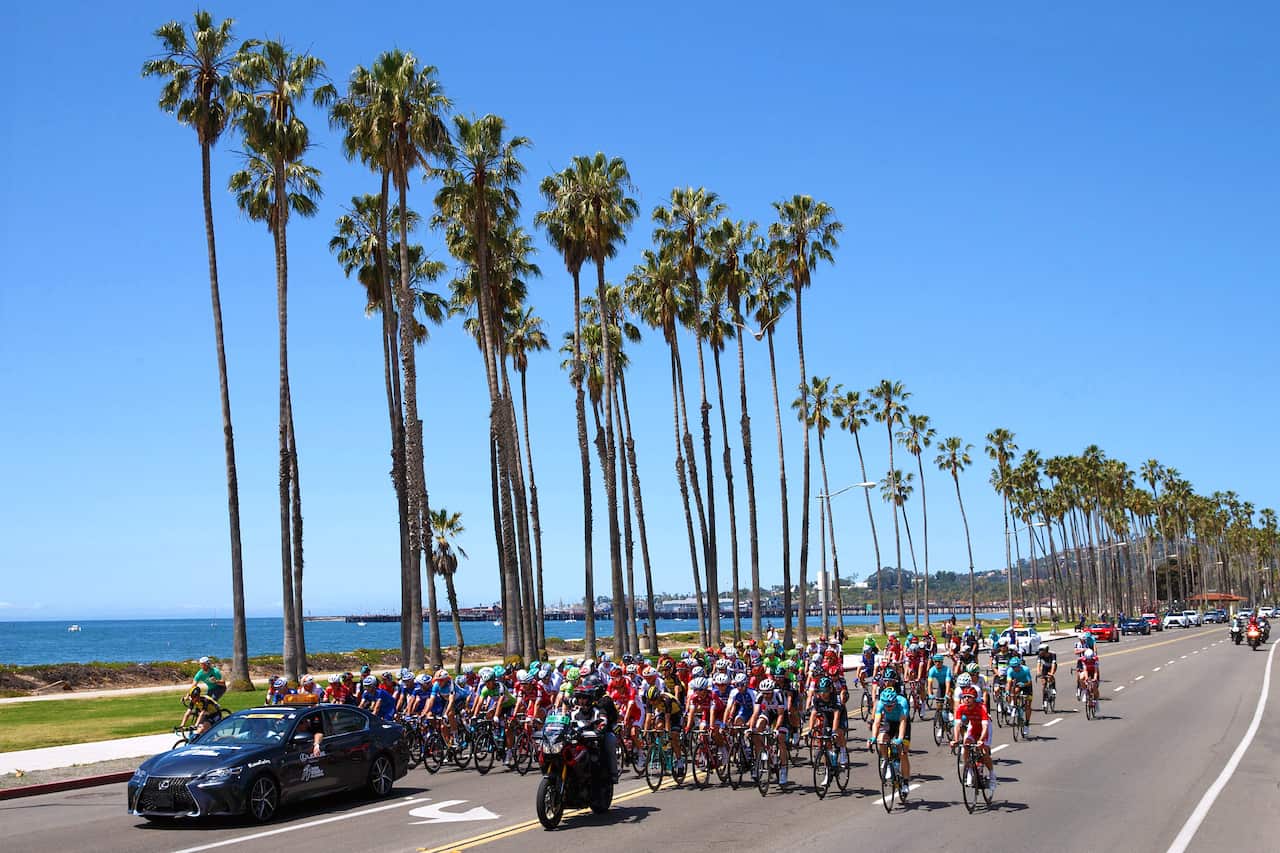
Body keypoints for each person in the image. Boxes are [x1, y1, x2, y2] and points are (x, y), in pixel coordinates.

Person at [571, 676, 620, 784]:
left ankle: (613, 773)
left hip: (602, 733)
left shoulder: (602, 705)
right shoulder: (575, 712)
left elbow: (603, 720)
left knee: (610, 740)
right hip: (579, 739)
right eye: (580, 698)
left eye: (584, 697)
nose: (582, 701)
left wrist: (600, 728)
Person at [950, 687, 995, 794]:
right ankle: (969, 769)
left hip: (985, 729)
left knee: (984, 751)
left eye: (969, 697)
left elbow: (985, 727)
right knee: (966, 745)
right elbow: (957, 725)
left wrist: (981, 740)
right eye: (964, 697)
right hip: (974, 728)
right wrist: (955, 740)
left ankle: (992, 775)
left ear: (974, 699)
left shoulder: (981, 708)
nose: (966, 699)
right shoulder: (961, 707)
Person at [869, 686, 911, 794]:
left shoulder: (902, 703)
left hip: (902, 723)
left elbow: (903, 723)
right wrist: (873, 737)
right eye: (886, 706)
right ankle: (886, 761)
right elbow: (877, 723)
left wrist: (900, 739)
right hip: (890, 723)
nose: (888, 708)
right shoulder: (880, 704)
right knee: (881, 739)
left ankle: (905, 782)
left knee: (903, 753)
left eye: (890, 705)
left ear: (895, 702)